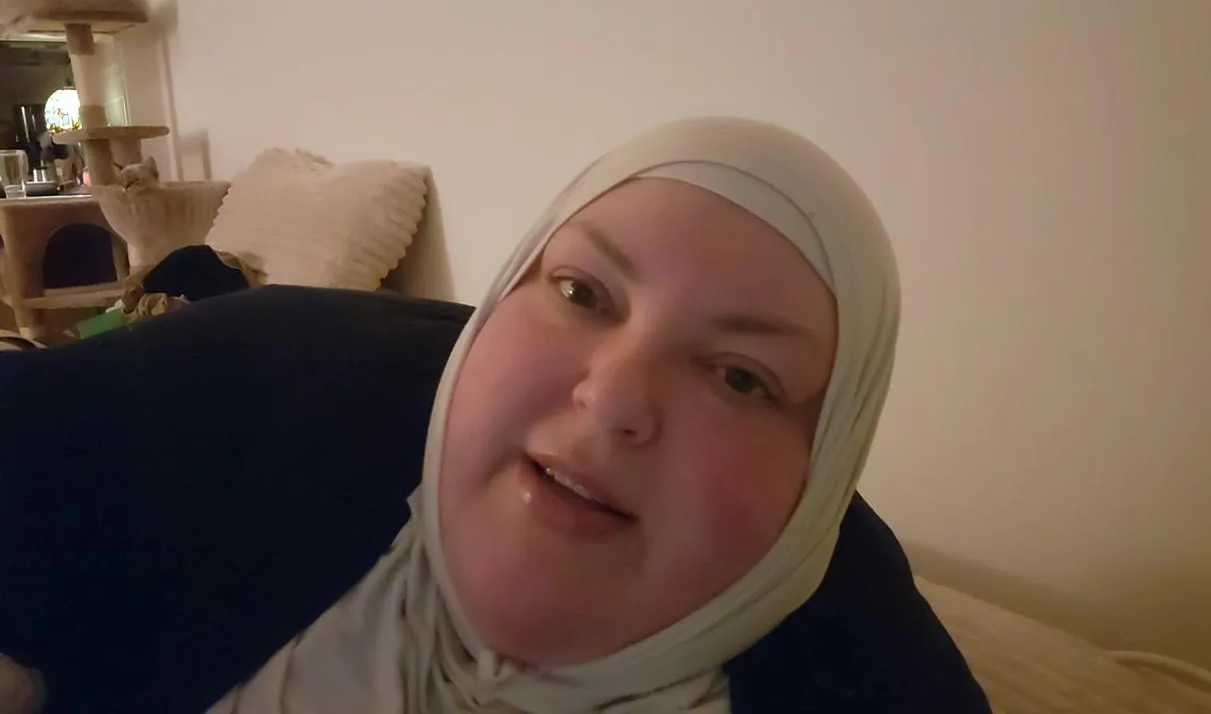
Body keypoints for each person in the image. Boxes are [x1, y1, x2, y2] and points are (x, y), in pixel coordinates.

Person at [0, 117, 988, 713]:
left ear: (819, 480)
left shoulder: (870, 670)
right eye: (582, 292)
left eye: (739, 378)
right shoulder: (272, 380)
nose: (613, 398)